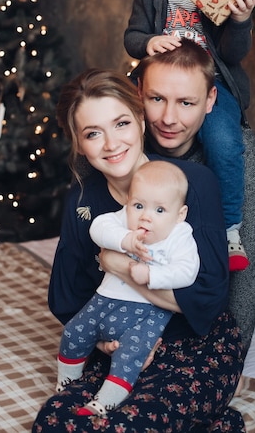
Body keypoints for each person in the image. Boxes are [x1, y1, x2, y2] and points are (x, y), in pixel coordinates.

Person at [33, 68, 246, 431]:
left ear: (141, 123)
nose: (111, 144)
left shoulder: (192, 184)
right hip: (120, 348)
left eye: (120, 124)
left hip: (195, 346)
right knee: (55, 422)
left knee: (132, 425)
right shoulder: (83, 201)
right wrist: (106, 342)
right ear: (80, 143)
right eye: (92, 133)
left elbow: (208, 299)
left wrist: (117, 266)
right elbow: (66, 296)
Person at [124, 0, 255, 271]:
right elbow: (132, 36)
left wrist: (240, 19)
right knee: (121, 123)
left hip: (208, 88)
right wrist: (148, 42)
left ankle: (231, 230)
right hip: (157, 85)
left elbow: (233, 55)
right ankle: (129, 215)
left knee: (224, 141)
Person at [136, 38, 255, 356]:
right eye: (156, 98)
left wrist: (231, 353)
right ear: (139, 91)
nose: (168, 118)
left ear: (210, 101)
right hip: (129, 327)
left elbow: (246, 269)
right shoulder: (121, 144)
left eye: (186, 103)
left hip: (205, 336)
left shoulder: (236, 153)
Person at [56, 159, 200, 417]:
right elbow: (98, 227)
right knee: (74, 333)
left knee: (131, 356)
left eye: (160, 210)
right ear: (129, 202)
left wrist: (152, 274)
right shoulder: (125, 219)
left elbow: (187, 271)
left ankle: (106, 400)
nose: (145, 215)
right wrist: (125, 240)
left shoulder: (180, 235)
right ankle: (67, 381)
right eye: (139, 205)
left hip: (146, 312)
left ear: (180, 214)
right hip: (103, 300)